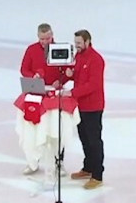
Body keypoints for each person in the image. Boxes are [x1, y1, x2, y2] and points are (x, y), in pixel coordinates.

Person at [16, 23, 75, 175]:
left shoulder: (60, 50)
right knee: (31, 128)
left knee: (57, 129)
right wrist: (33, 76)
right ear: (38, 37)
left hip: (55, 94)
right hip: (37, 91)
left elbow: (69, 71)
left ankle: (59, 162)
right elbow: (24, 69)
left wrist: (61, 81)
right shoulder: (31, 50)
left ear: (52, 35)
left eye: (48, 38)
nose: (45, 42)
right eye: (42, 39)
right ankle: (32, 161)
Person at [64, 29, 107, 189]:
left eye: (79, 43)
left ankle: (97, 175)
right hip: (80, 106)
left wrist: (72, 92)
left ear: (88, 41)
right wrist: (69, 75)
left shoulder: (96, 60)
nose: (77, 46)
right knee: (84, 138)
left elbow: (93, 84)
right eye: (76, 43)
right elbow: (78, 74)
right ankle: (88, 167)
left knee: (94, 141)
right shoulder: (79, 56)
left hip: (93, 107)